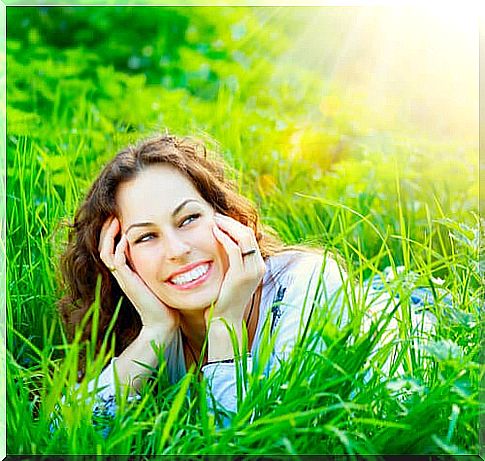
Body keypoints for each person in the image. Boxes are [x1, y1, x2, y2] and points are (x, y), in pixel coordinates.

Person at [58, 134, 435, 426]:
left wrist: (224, 329)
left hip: (411, 309)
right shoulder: (144, 329)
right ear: (121, 258)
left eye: (189, 219)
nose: (176, 249)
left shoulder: (308, 285)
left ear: (226, 219)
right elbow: (62, 435)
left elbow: (255, 441)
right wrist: (155, 331)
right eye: (146, 237)